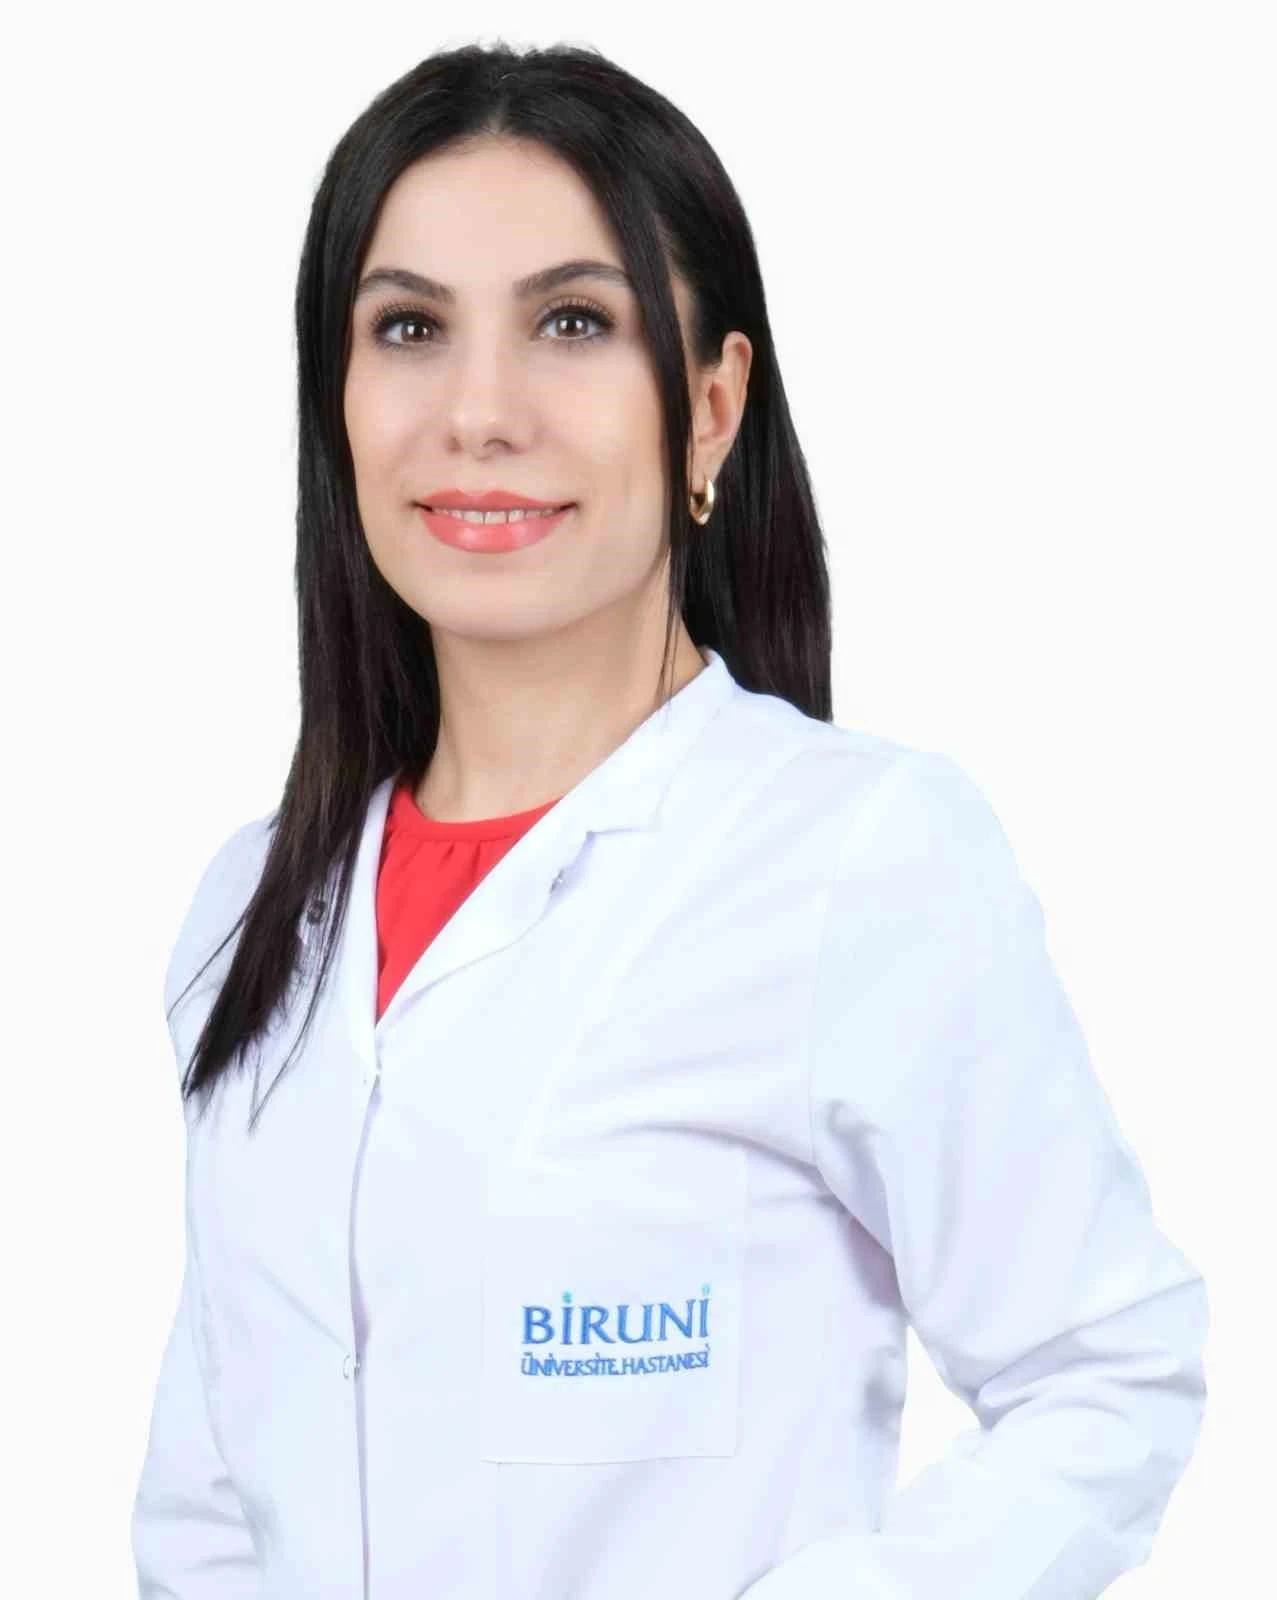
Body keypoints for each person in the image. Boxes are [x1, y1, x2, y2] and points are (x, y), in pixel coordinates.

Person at [130, 38, 1208, 1600]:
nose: (478, 411)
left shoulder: (858, 859)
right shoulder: (256, 911)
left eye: (573, 322)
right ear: (337, 402)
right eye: (409, 327)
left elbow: (1106, 1374)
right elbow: (214, 1501)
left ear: (709, 408)